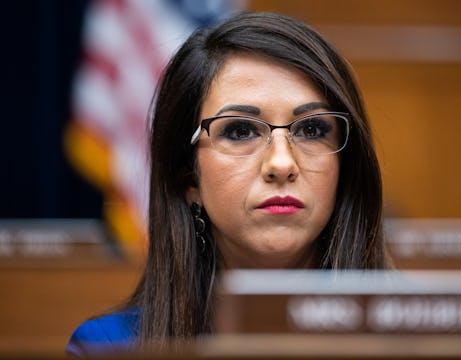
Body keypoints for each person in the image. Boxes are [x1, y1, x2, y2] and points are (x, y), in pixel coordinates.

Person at [66, 11, 388, 356]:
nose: (281, 164)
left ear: (346, 165)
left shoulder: (426, 338)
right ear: (188, 175)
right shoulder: (108, 348)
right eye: (240, 130)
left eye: (311, 130)